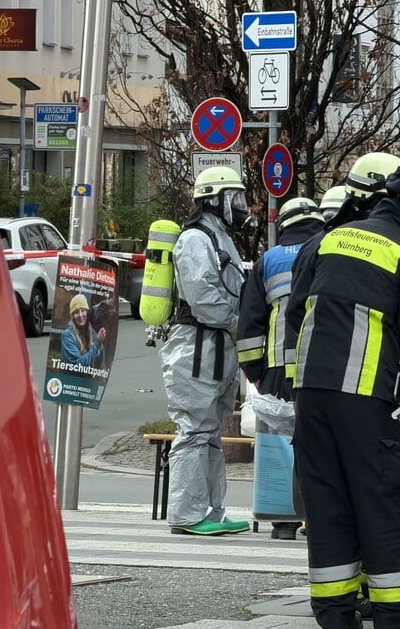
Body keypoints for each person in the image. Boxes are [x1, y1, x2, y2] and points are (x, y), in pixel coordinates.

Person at [286, 156, 400, 629]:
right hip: (365, 404)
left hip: (311, 398)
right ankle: (397, 619)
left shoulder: (326, 240)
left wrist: (294, 387)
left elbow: (294, 316)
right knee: (381, 505)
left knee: (327, 507)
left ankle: (334, 616)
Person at [162, 166, 252, 537]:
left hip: (214, 347)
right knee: (194, 430)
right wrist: (234, 321)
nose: (241, 206)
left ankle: (211, 512)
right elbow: (202, 298)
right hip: (197, 347)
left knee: (209, 432)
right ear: (214, 199)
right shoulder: (196, 239)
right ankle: (186, 514)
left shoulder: (218, 237)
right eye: (236, 198)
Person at [237, 196, 325, 540]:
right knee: (316, 441)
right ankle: (314, 518)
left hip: (275, 367)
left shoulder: (268, 261)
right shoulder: (329, 251)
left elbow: (249, 324)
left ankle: (283, 522)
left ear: (284, 226)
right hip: (319, 367)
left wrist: (253, 371)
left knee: (276, 441)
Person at [61, 293, 106, 366]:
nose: (80, 315)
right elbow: (79, 364)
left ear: (87, 312)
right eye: (76, 312)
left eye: (83, 310)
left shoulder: (91, 330)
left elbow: (99, 356)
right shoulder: (67, 335)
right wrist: (98, 342)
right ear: (72, 316)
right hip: (71, 377)